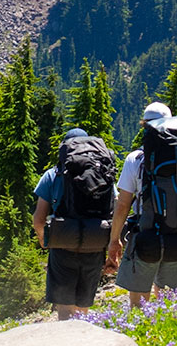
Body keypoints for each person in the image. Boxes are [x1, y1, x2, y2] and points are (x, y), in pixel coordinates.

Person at [106, 101, 177, 308]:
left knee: (138, 303)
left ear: (145, 126)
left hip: (145, 236)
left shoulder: (136, 159)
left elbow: (123, 205)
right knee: (172, 303)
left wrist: (114, 240)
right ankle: (170, 337)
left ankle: (139, 337)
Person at [32, 127, 116, 315]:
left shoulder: (52, 175)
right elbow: (115, 208)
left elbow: (38, 219)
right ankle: (81, 337)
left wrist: (44, 240)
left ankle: (64, 340)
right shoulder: (103, 173)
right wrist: (113, 248)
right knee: (83, 307)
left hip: (63, 245)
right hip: (95, 244)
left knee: (64, 307)